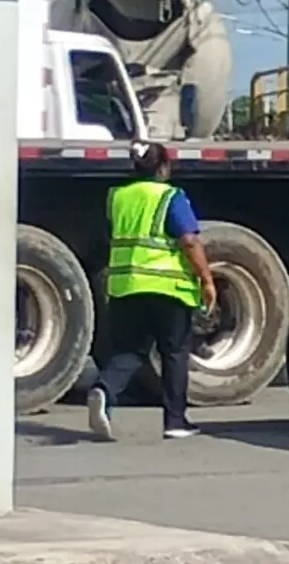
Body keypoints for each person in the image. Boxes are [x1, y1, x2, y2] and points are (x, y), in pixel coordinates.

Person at [87, 141, 217, 441]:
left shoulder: (117, 197)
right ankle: (175, 420)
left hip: (126, 286)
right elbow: (189, 240)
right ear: (163, 168)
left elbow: (109, 236)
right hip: (167, 288)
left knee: (130, 351)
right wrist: (207, 280)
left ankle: (104, 389)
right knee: (174, 352)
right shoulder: (171, 196)